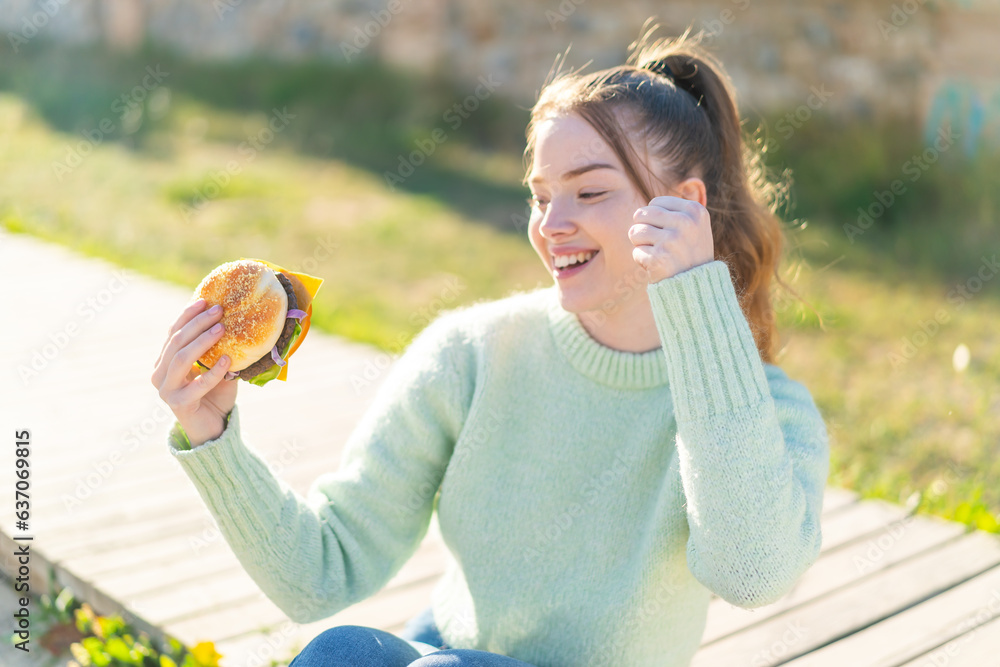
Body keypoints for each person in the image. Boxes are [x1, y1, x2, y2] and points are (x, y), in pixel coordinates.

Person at [150, 23, 830, 667]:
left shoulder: (764, 408)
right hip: (448, 653)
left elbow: (751, 572)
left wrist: (699, 302)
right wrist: (213, 436)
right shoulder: (472, 353)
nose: (552, 225)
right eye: (540, 197)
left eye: (589, 190)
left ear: (685, 204)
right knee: (343, 652)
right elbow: (320, 574)